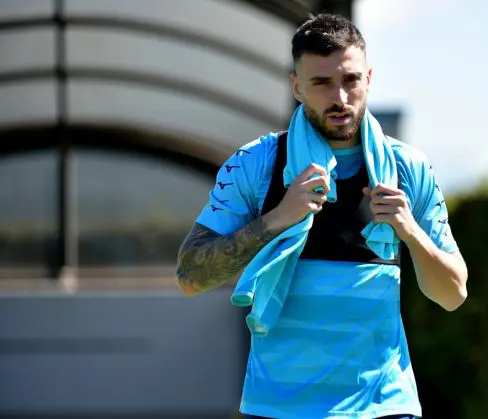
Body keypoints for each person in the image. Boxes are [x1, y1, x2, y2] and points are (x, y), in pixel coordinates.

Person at [176, 13, 468, 419]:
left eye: (350, 80)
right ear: (296, 87)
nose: (340, 98)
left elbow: (453, 294)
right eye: (321, 83)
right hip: (277, 407)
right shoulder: (257, 163)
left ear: (369, 78)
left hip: (384, 406)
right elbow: (190, 275)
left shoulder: (407, 168)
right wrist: (277, 218)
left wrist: (410, 231)